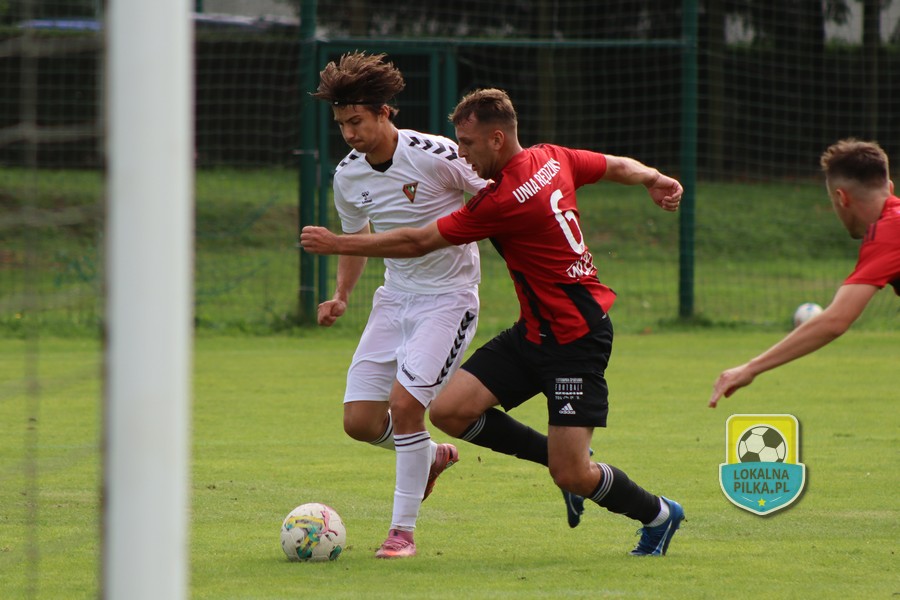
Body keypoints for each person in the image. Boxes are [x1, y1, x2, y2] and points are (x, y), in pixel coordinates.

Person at [302, 88, 686, 556]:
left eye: (467, 143)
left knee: (571, 473)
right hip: (533, 331)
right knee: (448, 412)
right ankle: (550, 459)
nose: (460, 153)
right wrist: (655, 178)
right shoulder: (553, 156)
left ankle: (659, 513)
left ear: (497, 139)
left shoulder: (502, 201)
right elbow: (615, 165)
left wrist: (337, 243)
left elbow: (418, 242)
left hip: (575, 338)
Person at [309, 52, 485, 559]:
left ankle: (401, 533)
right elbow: (355, 236)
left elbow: (498, 197)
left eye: (356, 121)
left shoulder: (437, 153)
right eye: (342, 124)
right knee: (360, 422)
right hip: (393, 299)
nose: (349, 133)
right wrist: (342, 295)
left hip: (448, 301)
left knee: (406, 407)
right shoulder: (348, 175)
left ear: (384, 112)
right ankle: (428, 456)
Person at [709, 138, 900, 408]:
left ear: (841, 197)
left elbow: (835, 320)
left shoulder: (890, 232)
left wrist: (750, 368)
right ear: (889, 188)